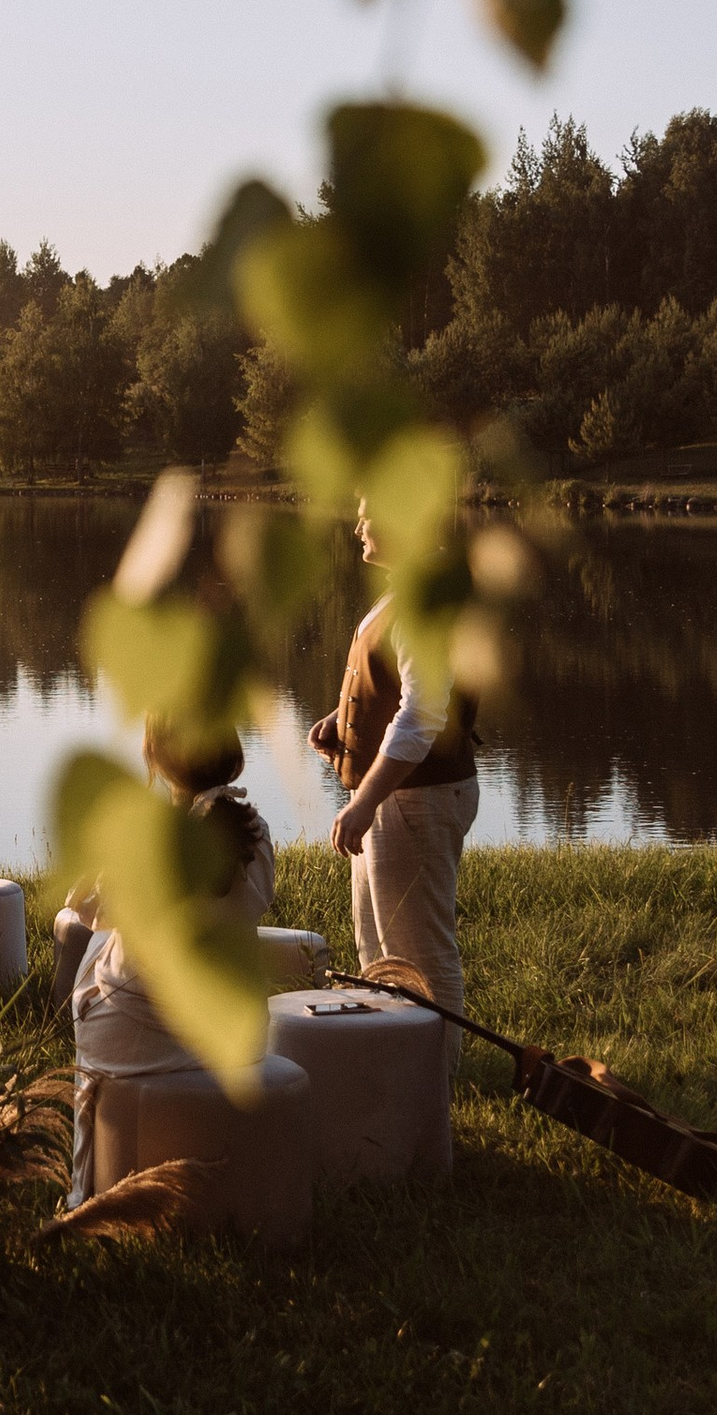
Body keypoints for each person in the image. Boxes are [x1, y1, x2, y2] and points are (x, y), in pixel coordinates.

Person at [63, 720, 279, 1209]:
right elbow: (251, 905)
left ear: (158, 758)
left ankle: (84, 1191)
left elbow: (93, 912)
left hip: (143, 1038)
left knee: (96, 957)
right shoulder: (254, 830)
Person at [309, 501, 481, 1023]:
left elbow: (424, 715)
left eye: (369, 514)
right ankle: (393, 1067)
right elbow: (405, 686)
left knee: (420, 958)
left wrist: (363, 801)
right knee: (379, 952)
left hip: (415, 800)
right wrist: (341, 720)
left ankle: (432, 1083)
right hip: (397, 798)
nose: (359, 525)